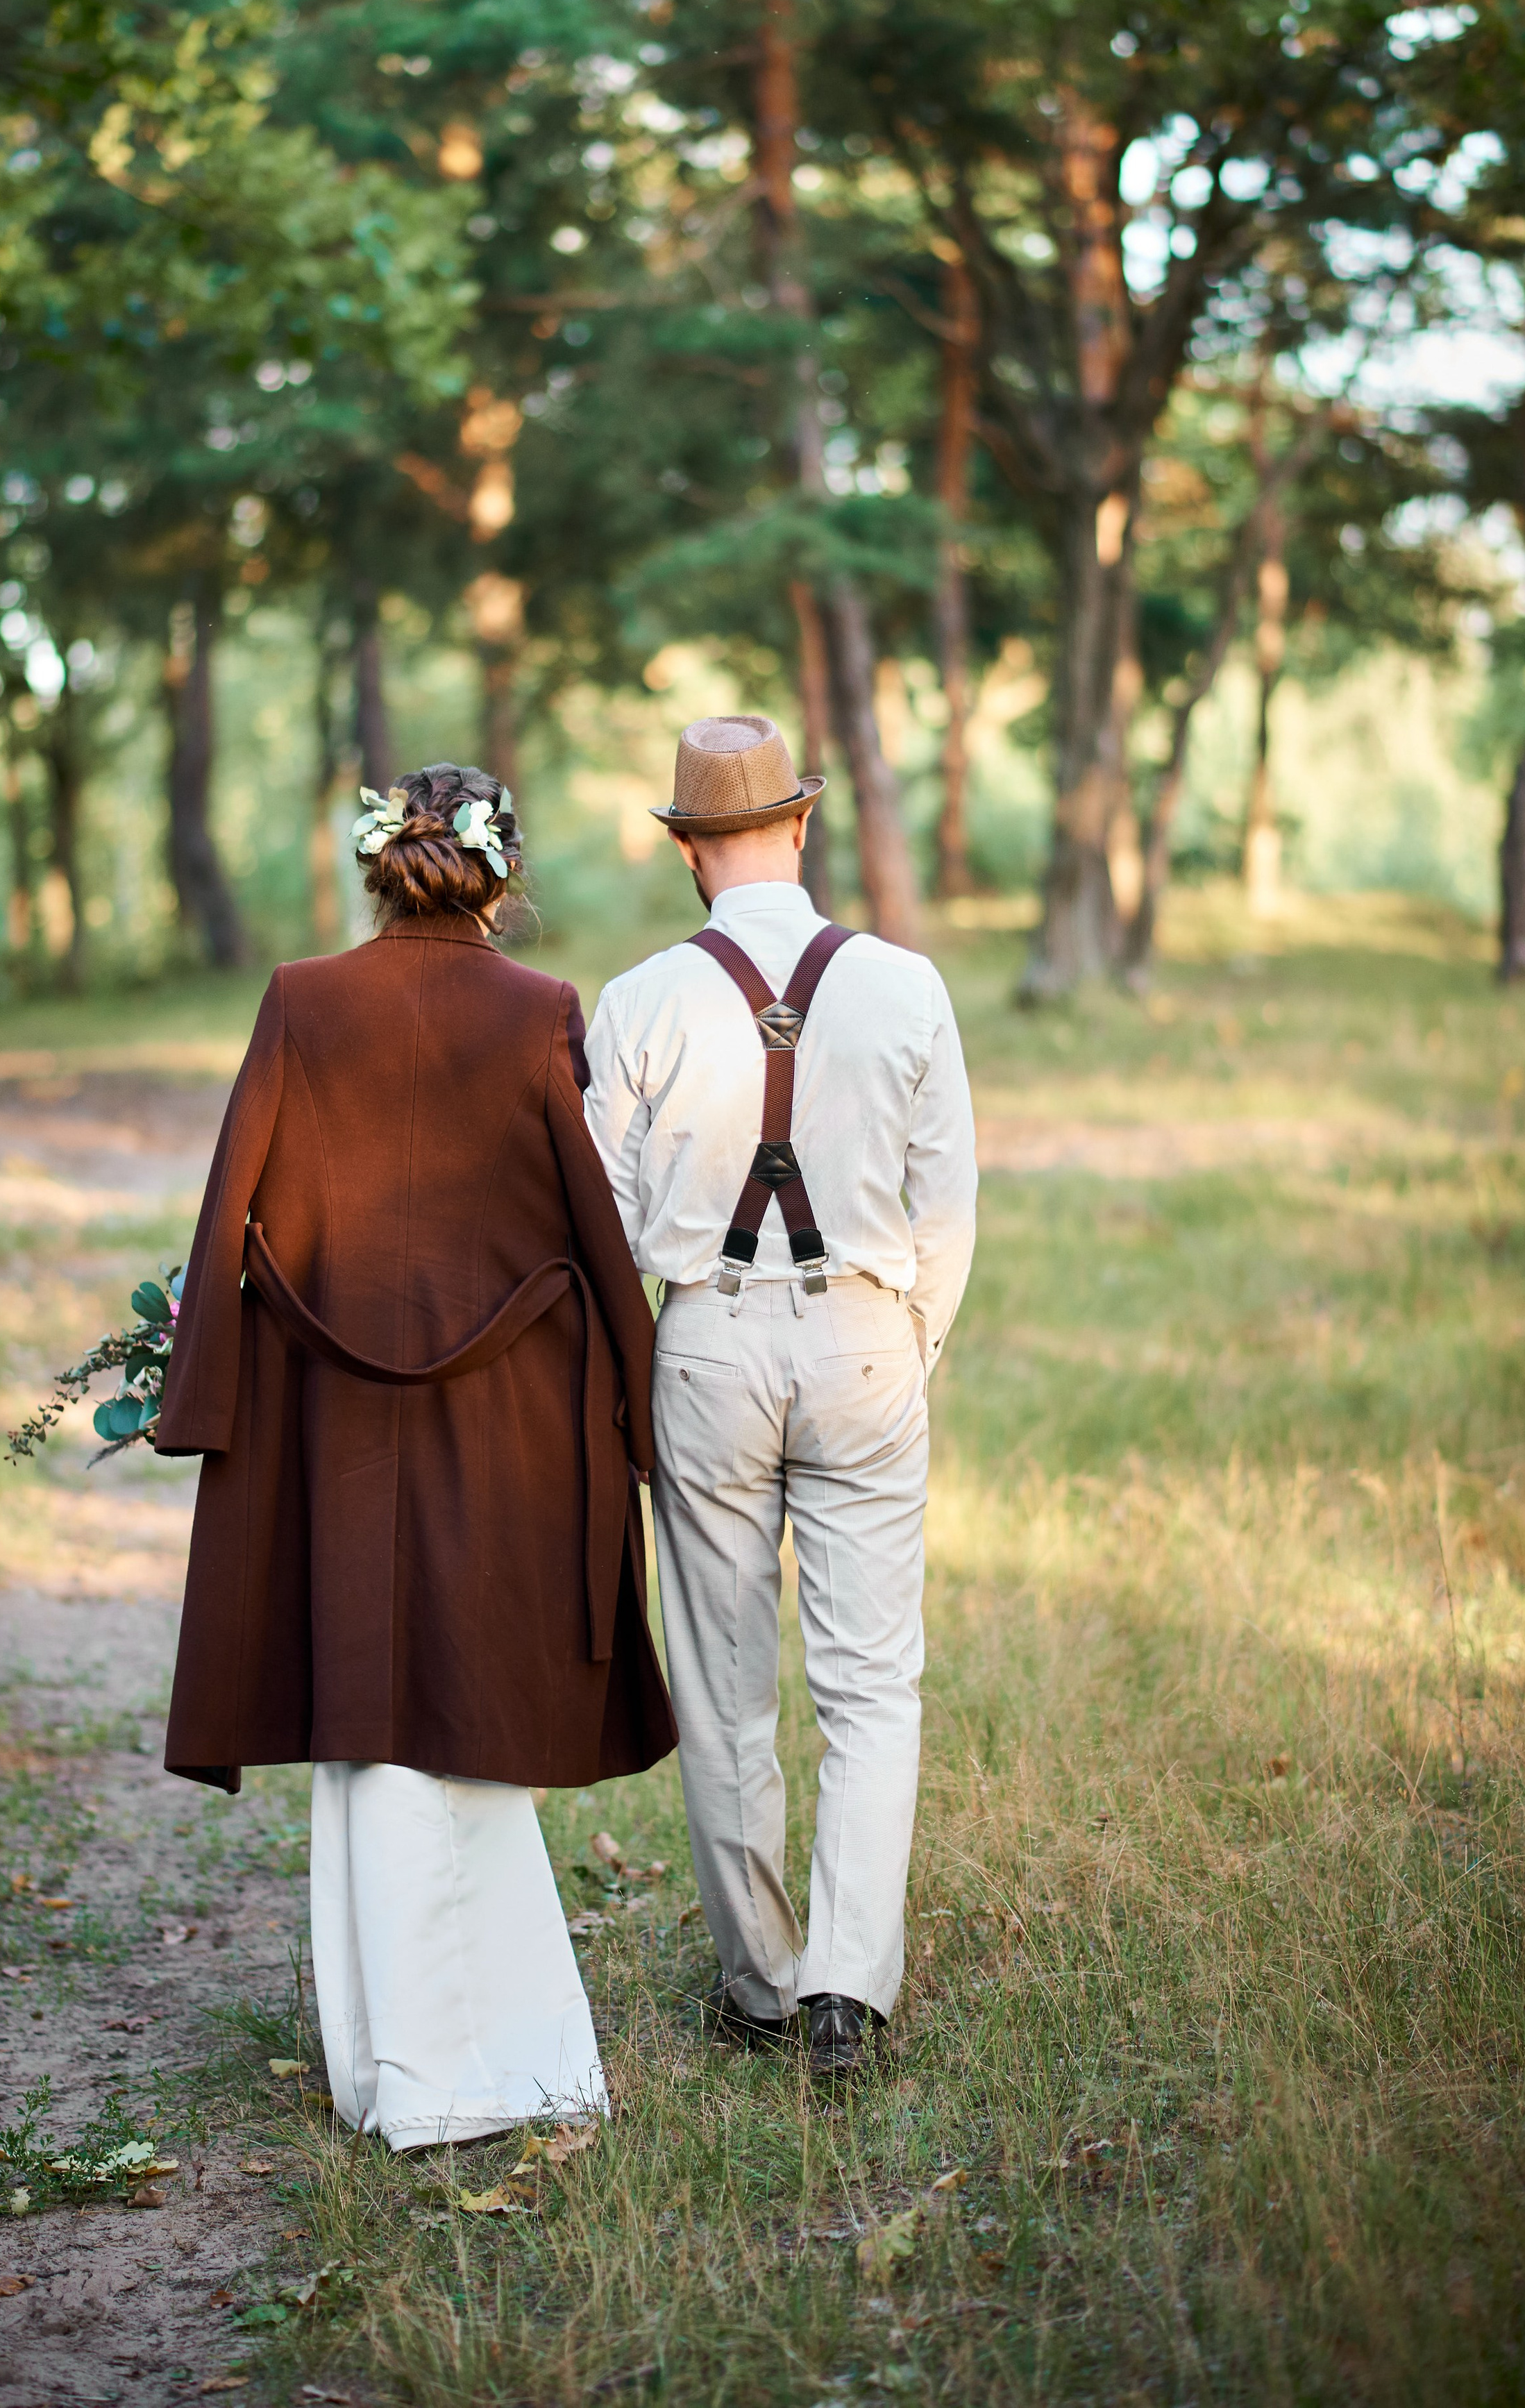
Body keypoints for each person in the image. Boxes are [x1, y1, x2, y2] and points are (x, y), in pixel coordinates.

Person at [154, 764, 675, 2150]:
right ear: (498, 875)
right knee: (464, 1716)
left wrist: (201, 1398)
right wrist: (637, 1407)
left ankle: (395, 2063)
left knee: (370, 1717)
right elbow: (591, 1232)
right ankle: (480, 2065)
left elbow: (230, 1208)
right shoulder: (538, 1011)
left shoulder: (298, 1001)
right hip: (503, 1418)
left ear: (379, 863)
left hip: (332, 1419)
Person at [584, 714, 977, 2083]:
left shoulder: (635, 1001)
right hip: (867, 1342)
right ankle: (845, 1994)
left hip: (703, 1349)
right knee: (872, 1683)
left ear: (690, 849)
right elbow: (947, 1213)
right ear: (798, 826)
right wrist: (892, 1352)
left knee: (725, 1678)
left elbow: (606, 1214)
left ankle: (757, 1982)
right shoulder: (906, 985)